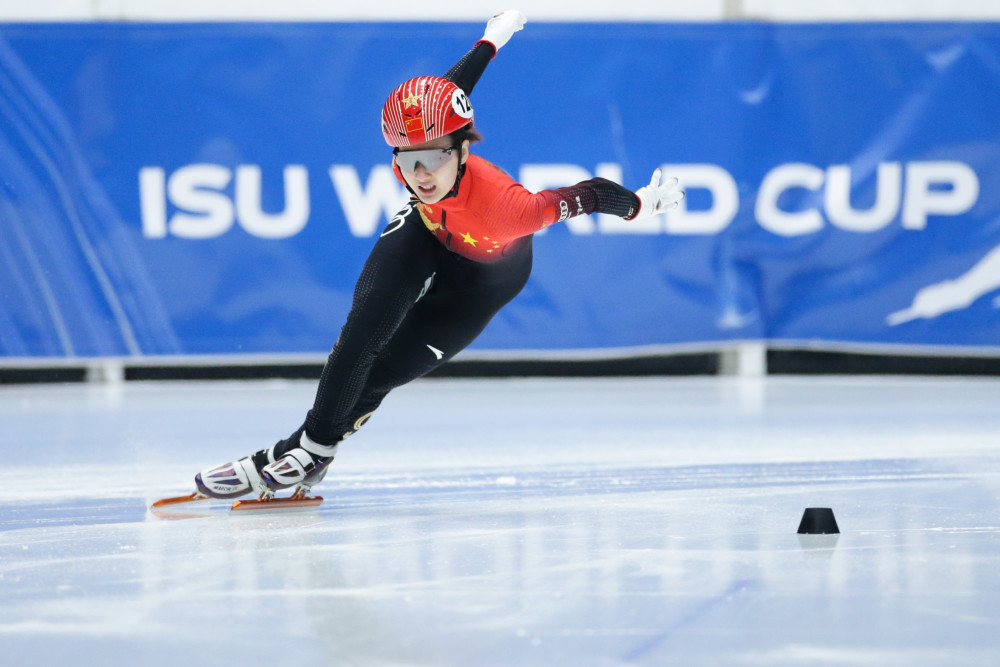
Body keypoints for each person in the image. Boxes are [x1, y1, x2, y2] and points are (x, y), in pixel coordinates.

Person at [193, 10, 684, 501]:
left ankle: (302, 451)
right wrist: (490, 41)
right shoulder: (420, 150)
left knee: (383, 371)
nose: (422, 175)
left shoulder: (511, 210)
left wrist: (639, 206)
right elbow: (447, 93)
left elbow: (591, 193)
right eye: (408, 161)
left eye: (436, 158)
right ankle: (311, 450)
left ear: (464, 149)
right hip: (428, 233)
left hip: (484, 281)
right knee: (361, 334)